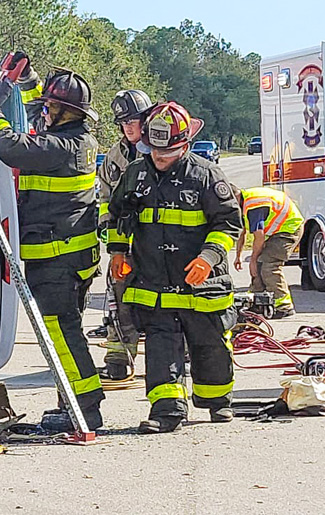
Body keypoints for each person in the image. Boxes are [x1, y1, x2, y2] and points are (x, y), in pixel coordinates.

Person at [0, 54, 104, 431]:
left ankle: (84, 409)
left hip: (57, 259)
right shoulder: (77, 138)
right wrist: (28, 80)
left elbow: (9, 146)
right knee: (67, 333)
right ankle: (72, 404)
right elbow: (39, 111)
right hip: (72, 256)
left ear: (67, 112)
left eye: (52, 105)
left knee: (62, 336)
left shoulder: (59, 147)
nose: (46, 110)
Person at [107, 102, 242, 433]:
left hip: (201, 285)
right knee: (160, 346)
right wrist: (118, 252)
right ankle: (167, 411)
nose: (160, 157)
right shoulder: (135, 174)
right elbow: (117, 215)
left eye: (168, 152)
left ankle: (217, 401)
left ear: (185, 145)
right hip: (153, 282)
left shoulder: (206, 176)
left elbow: (228, 224)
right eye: (155, 151)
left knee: (210, 346)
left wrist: (208, 258)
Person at [97, 90, 154, 381]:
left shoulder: (162, 147)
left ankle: (176, 358)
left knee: (166, 304)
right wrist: (108, 231)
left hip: (159, 244)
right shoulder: (115, 156)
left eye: (132, 120)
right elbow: (105, 197)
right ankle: (118, 359)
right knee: (119, 301)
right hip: (124, 243)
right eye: (123, 122)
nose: (128, 127)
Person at [232, 185, 303, 318]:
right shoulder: (242, 204)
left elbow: (259, 236)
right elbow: (241, 232)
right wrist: (238, 256)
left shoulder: (253, 206)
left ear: (234, 197)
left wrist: (252, 260)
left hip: (289, 229)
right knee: (260, 262)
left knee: (269, 265)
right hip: (277, 231)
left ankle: (284, 306)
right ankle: (258, 301)